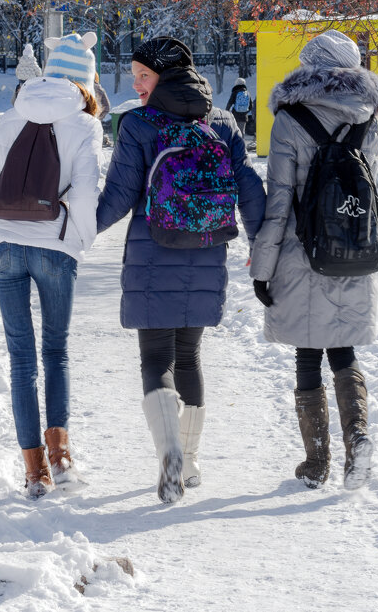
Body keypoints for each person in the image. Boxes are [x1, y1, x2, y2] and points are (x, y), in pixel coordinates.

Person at [0, 32, 103, 498]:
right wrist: (80, 241)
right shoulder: (85, 125)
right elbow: (86, 194)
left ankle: (34, 473)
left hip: (4, 245)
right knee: (56, 352)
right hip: (55, 247)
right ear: (85, 81)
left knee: (21, 359)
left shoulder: (14, 114)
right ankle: (61, 458)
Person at [96, 37, 266, 503]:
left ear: (166, 75)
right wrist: (260, 243)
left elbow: (117, 197)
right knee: (188, 357)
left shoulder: (138, 125)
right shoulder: (223, 123)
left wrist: (73, 234)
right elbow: (250, 191)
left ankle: (168, 451)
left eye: (143, 75)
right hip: (208, 252)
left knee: (156, 359)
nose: (136, 83)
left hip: (153, 253)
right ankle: (188, 462)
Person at [249, 29, 378, 491]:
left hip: (299, 253)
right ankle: (358, 437)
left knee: (308, 354)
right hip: (352, 248)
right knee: (343, 350)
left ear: (310, 70)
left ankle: (316, 463)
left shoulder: (290, 120)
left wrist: (262, 268)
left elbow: (279, 202)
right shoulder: (370, 120)